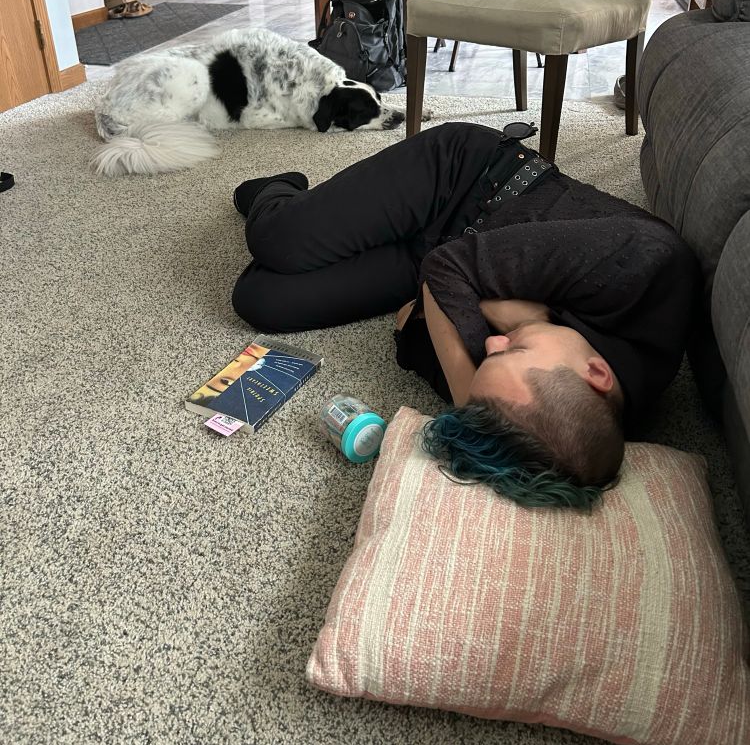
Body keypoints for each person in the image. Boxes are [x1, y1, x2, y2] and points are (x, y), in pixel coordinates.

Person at [231, 122, 699, 510]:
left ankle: (340, 223)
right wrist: (470, 342)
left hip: (437, 259)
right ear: (596, 372)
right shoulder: (644, 263)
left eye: (487, 361)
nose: (490, 344)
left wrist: (500, 330)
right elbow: (447, 274)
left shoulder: (561, 424)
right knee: (279, 240)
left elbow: (410, 329)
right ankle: (279, 192)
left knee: (260, 300)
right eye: (513, 346)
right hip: (462, 179)